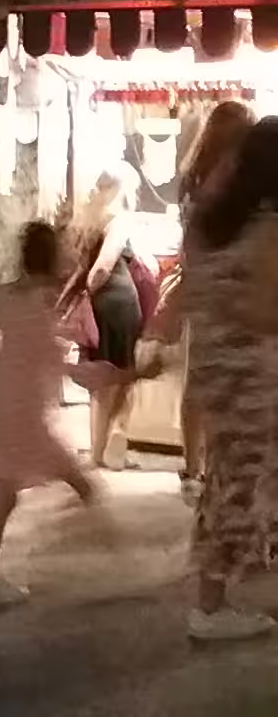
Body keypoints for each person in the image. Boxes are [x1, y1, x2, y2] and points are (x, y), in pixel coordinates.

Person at [0, 222, 157, 612]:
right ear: (51, 258)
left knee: (3, 500)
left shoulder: (9, 298)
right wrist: (136, 374)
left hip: (3, 416)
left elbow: (5, 318)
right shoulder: (40, 310)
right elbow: (77, 373)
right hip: (27, 425)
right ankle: (131, 570)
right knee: (84, 487)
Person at [170, 116, 278, 640]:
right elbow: (265, 312)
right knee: (239, 492)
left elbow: (187, 292)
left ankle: (212, 600)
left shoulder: (210, 221)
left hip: (217, 373)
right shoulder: (268, 228)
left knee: (225, 487)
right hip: (255, 380)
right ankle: (211, 609)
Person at [175, 100, 254, 503]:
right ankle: (219, 467)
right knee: (230, 380)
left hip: (201, 285)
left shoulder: (193, 177)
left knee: (199, 377)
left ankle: (192, 468)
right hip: (234, 286)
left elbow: (189, 242)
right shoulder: (240, 180)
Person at [68, 163, 152, 470]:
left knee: (100, 381)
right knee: (122, 375)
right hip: (118, 302)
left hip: (101, 305)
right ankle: (116, 440)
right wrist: (93, 286)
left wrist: (79, 296)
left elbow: (80, 268)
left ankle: (97, 450)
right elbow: (102, 267)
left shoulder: (90, 221)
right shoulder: (119, 221)